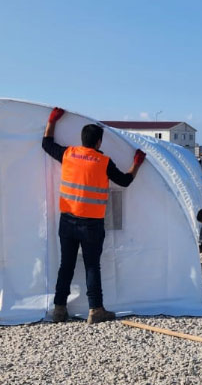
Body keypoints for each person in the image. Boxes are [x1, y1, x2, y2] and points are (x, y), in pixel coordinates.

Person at [42, 107, 146, 324]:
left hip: (68, 221)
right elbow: (125, 181)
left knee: (66, 265)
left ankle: (59, 309)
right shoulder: (103, 162)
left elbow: (46, 144)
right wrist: (136, 164)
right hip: (91, 224)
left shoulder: (69, 154)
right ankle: (95, 310)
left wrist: (52, 120)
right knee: (91, 266)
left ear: (82, 140)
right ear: (98, 142)